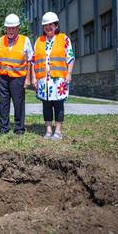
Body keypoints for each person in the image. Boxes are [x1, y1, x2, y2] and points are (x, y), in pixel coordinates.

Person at [32, 12, 75, 140]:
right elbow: (33, 61)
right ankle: (48, 130)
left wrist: (69, 73)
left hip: (59, 79)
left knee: (58, 104)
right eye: (45, 25)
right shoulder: (39, 41)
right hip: (43, 80)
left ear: (56, 25)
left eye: (51, 24)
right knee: (46, 105)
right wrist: (34, 77)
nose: (48, 27)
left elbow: (70, 57)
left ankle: (58, 131)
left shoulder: (64, 38)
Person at [0, 14, 33, 135]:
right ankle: (4, 128)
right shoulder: (1, 40)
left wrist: (27, 79)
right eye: (8, 28)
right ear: (5, 28)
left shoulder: (25, 40)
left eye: (13, 28)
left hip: (18, 78)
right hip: (3, 77)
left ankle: (19, 128)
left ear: (18, 28)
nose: (10, 30)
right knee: (3, 103)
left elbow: (29, 61)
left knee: (18, 103)